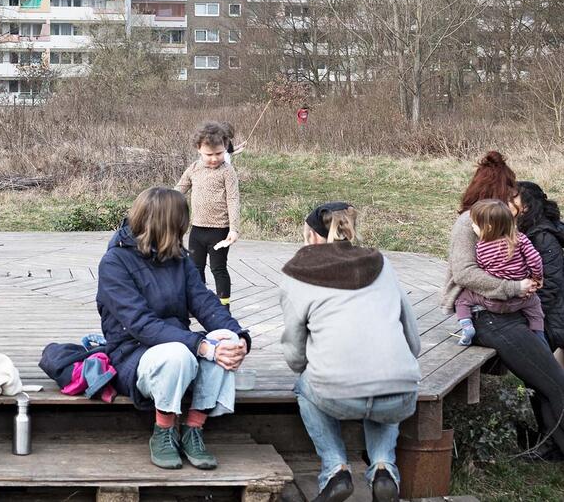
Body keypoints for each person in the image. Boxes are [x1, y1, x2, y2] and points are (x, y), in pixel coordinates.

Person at [442, 151, 564, 492]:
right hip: (488, 318)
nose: (517, 200)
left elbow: (527, 257)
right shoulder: (468, 224)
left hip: (513, 315)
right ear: (498, 192)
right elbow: (464, 272)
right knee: (560, 385)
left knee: (551, 387)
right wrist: (513, 287)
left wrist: (529, 284)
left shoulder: (501, 221)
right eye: (511, 192)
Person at [97, 186, 249, 471]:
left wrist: (239, 338)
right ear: (168, 224)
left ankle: (193, 429)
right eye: (182, 223)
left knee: (224, 339)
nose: (185, 229)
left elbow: (205, 303)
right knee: (180, 352)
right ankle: (164, 431)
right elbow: (141, 324)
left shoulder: (179, 258)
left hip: (180, 347)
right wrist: (201, 346)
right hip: (134, 353)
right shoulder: (114, 263)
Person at [282, 203, 420, 502]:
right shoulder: (382, 263)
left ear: (311, 237)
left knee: (304, 385)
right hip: (400, 391)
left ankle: (335, 470)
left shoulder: (298, 273)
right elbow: (413, 339)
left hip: (335, 395)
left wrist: (315, 362)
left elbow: (294, 354)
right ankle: (384, 468)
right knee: (386, 376)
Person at [453, 199, 546, 347]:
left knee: (462, 299)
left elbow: (483, 272)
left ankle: (467, 326)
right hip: (520, 300)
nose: (472, 227)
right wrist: (537, 277)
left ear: (488, 227)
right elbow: (535, 259)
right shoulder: (520, 239)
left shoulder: (481, 248)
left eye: (475, 224)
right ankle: (539, 336)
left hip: (492, 301)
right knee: (535, 305)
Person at [518, 181, 564, 352]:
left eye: (511, 199)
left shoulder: (543, 237)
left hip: (555, 319)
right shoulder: (527, 230)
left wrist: (523, 313)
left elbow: (550, 283)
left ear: (526, 207)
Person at [176, 121, 242, 305]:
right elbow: (179, 189)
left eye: (219, 153)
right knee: (195, 268)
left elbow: (233, 199)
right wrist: (160, 202)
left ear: (226, 147)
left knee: (218, 269)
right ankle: (198, 304)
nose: (214, 159)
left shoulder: (227, 172)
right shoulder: (194, 169)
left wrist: (234, 229)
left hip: (219, 231)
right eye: (209, 154)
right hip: (197, 230)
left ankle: (223, 306)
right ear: (199, 149)